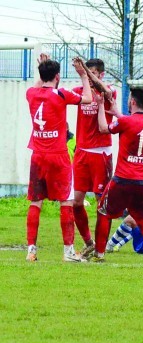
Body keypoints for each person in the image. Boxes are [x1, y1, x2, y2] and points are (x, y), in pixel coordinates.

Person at [24, 54, 93, 262]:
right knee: (66, 202)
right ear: (58, 76)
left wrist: (41, 69)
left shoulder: (31, 93)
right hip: (58, 156)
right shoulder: (61, 94)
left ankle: (31, 251)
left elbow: (39, 85)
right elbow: (88, 98)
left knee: (36, 203)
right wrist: (83, 76)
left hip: (37, 156)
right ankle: (69, 251)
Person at [92, 86, 143, 264]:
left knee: (103, 211)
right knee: (140, 214)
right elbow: (132, 124)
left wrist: (100, 105)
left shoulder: (126, 122)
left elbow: (103, 128)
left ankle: (99, 254)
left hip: (123, 178)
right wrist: (117, 113)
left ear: (132, 101)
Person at [71, 58, 118, 259]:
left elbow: (105, 92)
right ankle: (89, 242)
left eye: (93, 74)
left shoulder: (109, 91)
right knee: (76, 201)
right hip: (82, 152)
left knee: (102, 202)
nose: (89, 78)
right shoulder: (79, 89)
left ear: (101, 74)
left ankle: (101, 247)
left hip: (101, 153)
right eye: (87, 73)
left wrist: (85, 74)